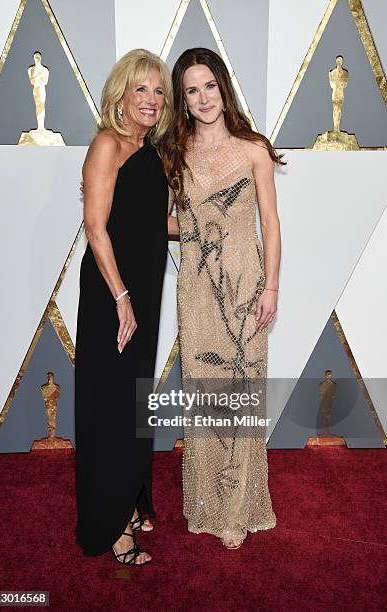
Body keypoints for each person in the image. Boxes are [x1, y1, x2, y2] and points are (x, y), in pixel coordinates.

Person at [160, 48, 284, 549]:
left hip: (246, 283)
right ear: (183, 99)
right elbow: (169, 223)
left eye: (209, 85)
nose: (203, 97)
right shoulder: (174, 151)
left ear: (223, 87)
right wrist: (114, 203)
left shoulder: (254, 148)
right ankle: (208, 506)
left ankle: (241, 507)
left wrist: (271, 287)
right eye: (192, 90)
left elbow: (270, 224)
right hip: (198, 288)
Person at [74, 49, 173, 565]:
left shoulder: (151, 151)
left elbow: (156, 224)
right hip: (113, 297)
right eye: (141, 89)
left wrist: (217, 225)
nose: (152, 100)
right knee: (111, 405)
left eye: (158, 91)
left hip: (143, 296)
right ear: (121, 94)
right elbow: (96, 227)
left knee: (134, 403)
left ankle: (131, 499)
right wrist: (121, 299)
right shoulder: (107, 145)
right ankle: (111, 524)